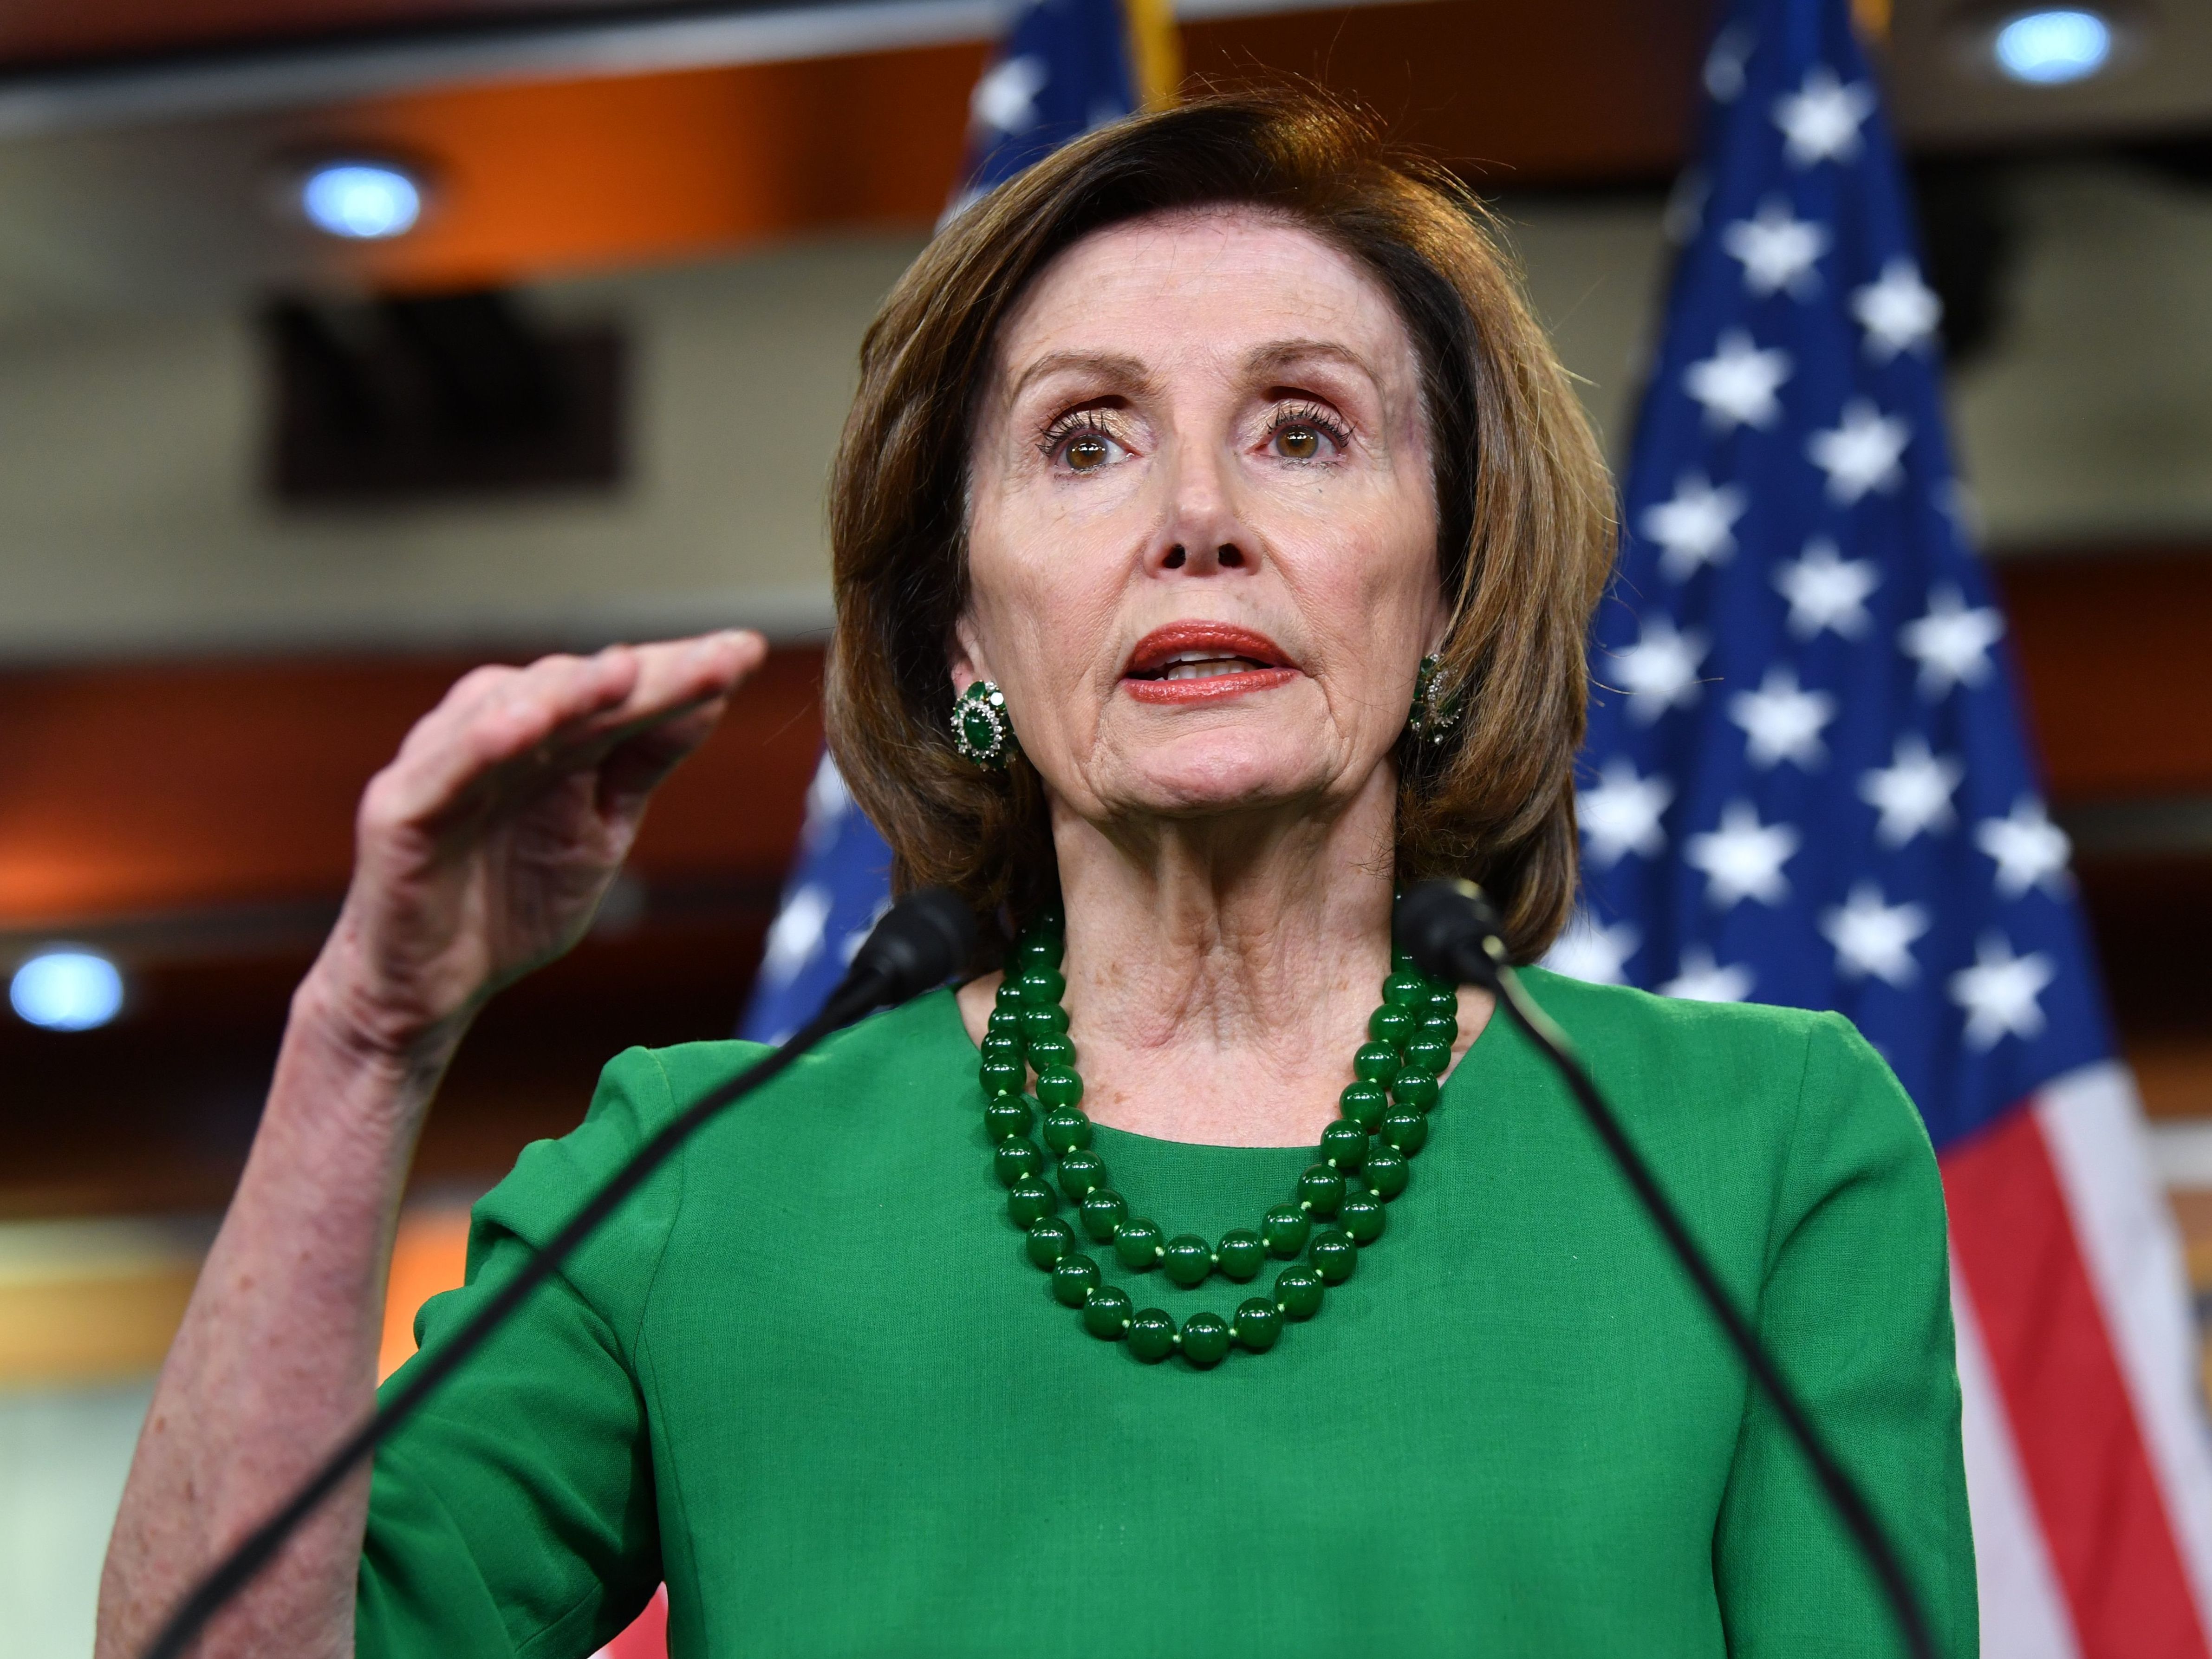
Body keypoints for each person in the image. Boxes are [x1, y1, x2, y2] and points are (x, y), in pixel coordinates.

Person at [98, 91, 1975, 1657]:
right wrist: (364, 1038)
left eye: (1302, 430)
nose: (1197, 519)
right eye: (1085, 442)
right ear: (964, 637)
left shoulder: (1762, 1149)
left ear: (1452, 591)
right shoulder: (693, 1176)